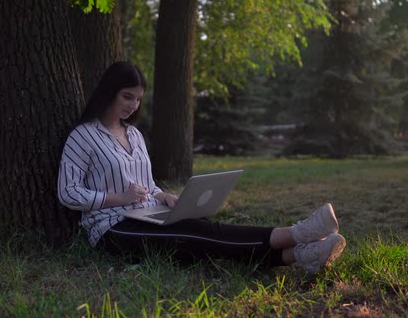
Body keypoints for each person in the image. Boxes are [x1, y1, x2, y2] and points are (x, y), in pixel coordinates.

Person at [57, 61, 346, 273]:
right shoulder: (83, 136)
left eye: (138, 98)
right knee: (192, 234)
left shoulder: (134, 134)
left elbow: (148, 185)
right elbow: (68, 193)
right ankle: (296, 234)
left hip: (145, 214)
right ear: (109, 92)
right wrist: (117, 199)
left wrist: (164, 197)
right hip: (111, 229)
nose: (134, 105)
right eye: (127, 96)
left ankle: (299, 254)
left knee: (203, 234)